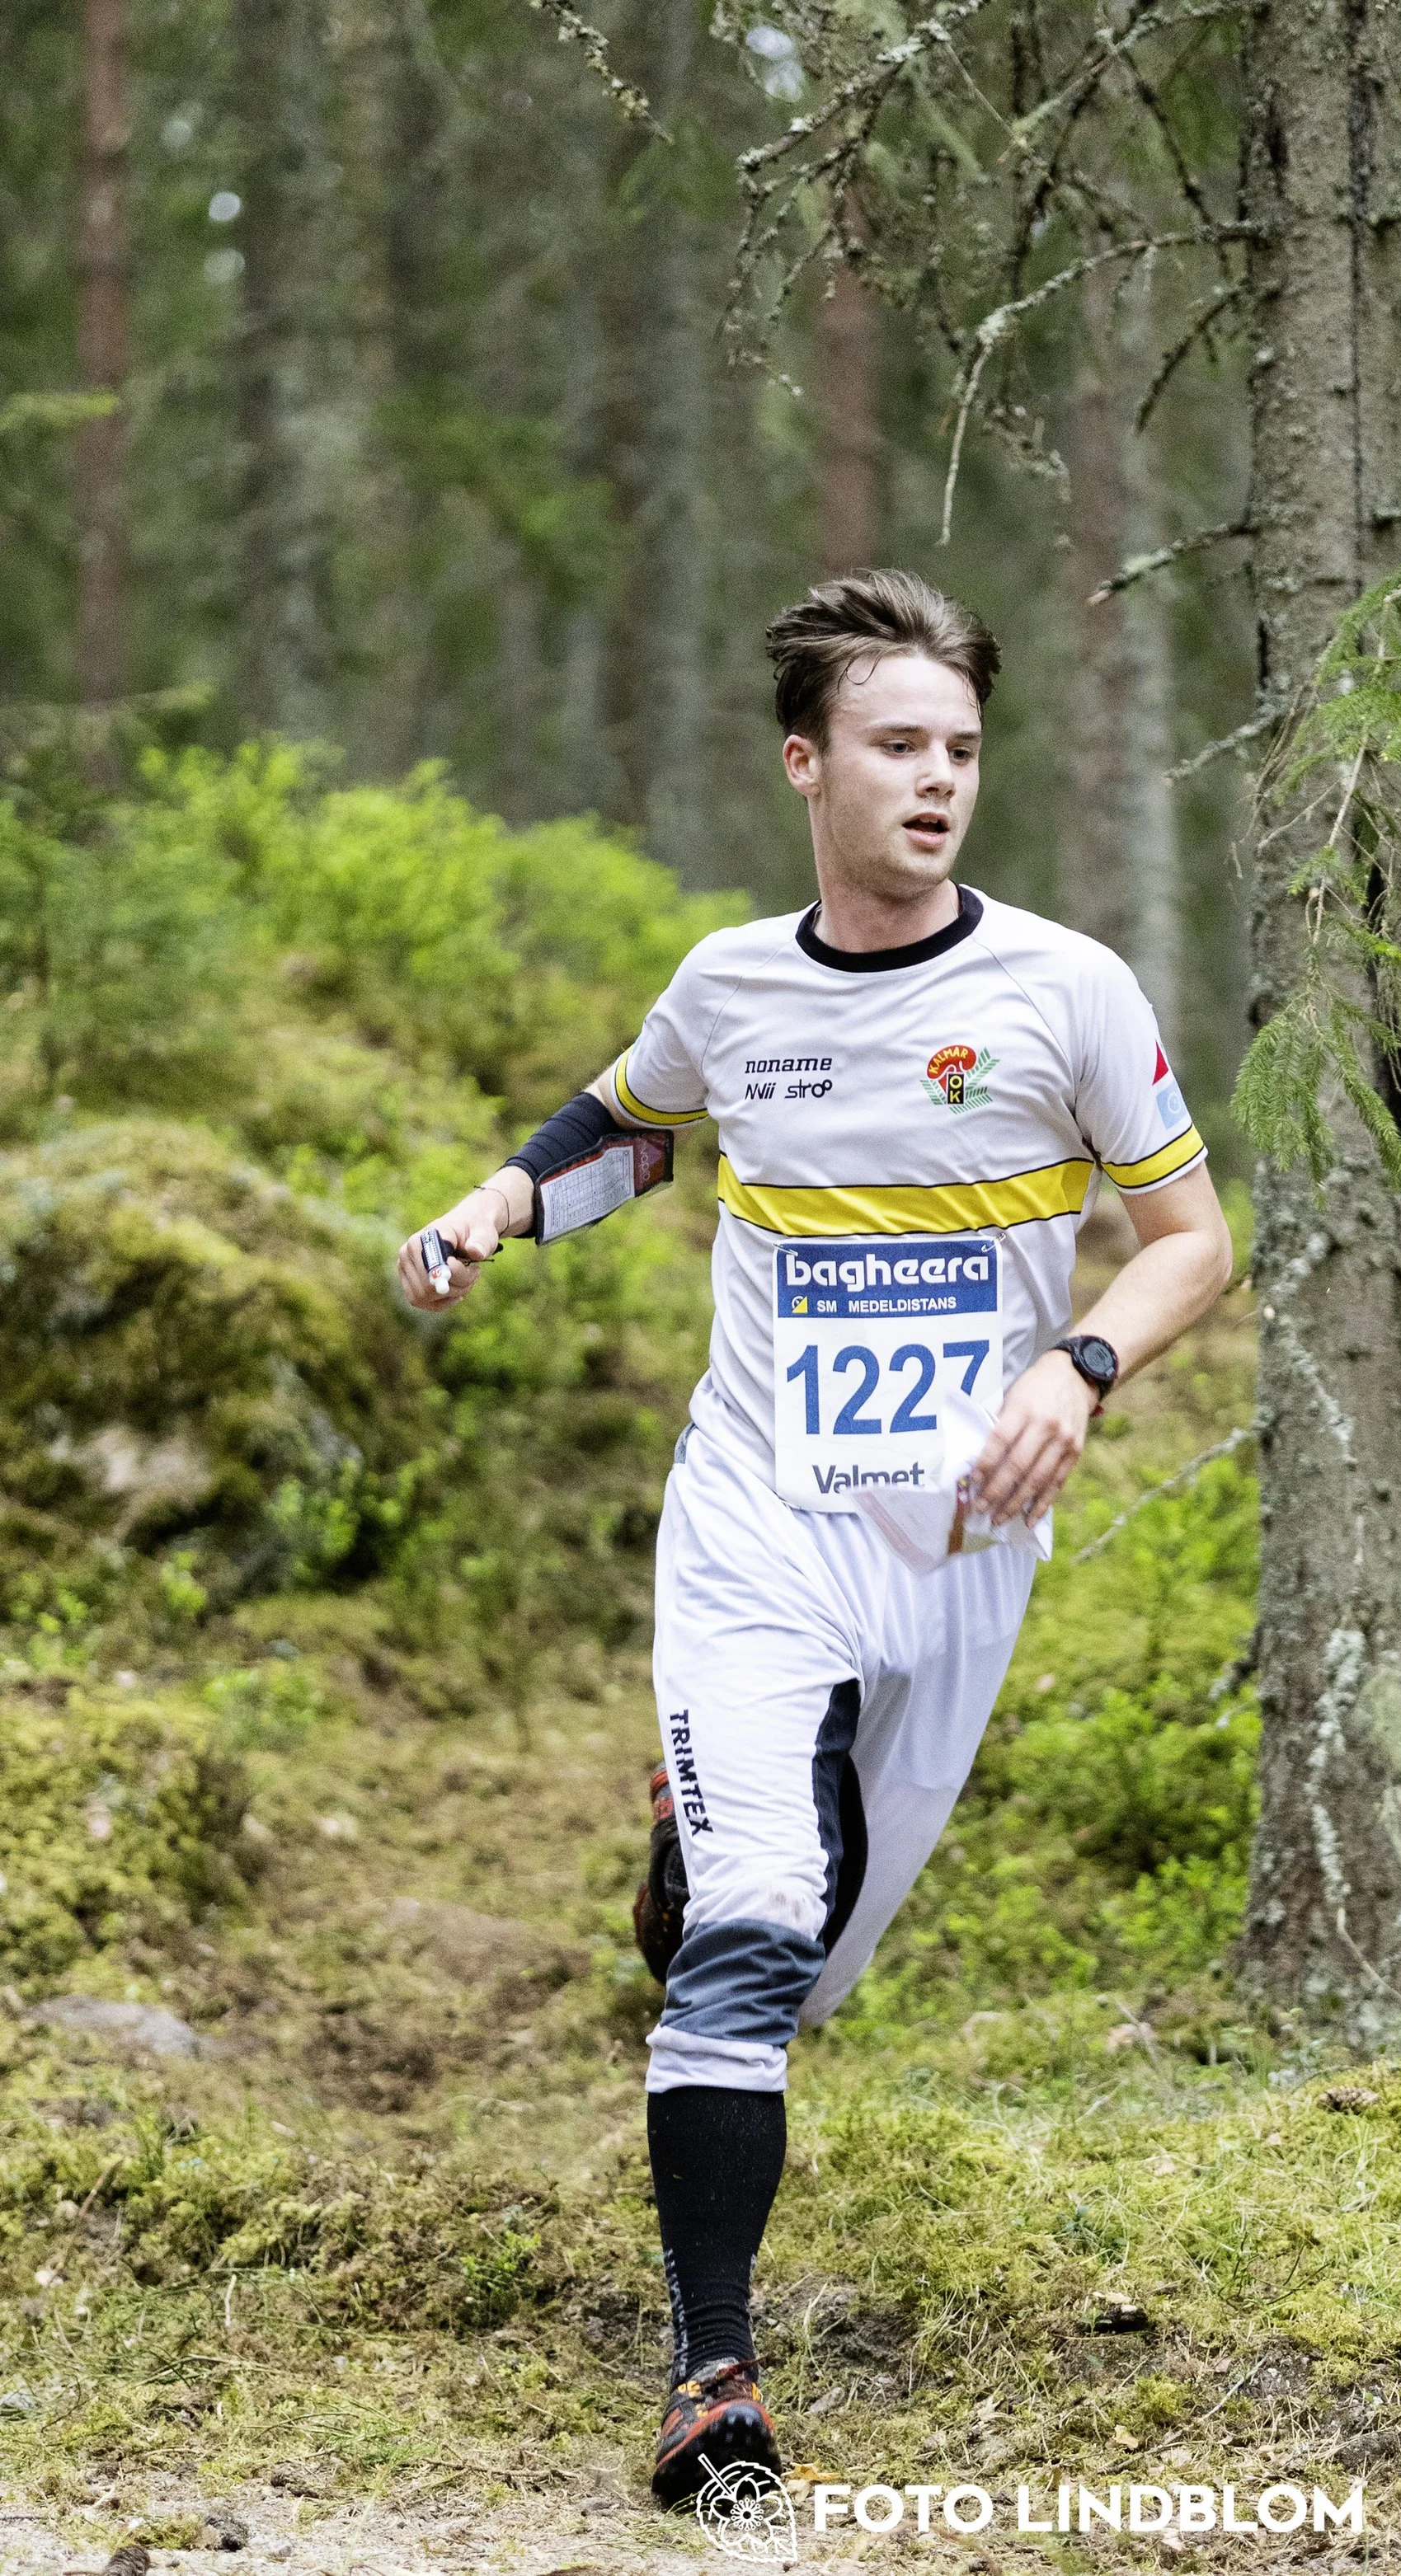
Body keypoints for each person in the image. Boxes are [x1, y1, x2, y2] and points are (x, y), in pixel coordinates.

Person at [395, 568, 1233, 2507]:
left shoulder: (1066, 989)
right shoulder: (731, 983)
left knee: (811, 1956)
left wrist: (1080, 1364)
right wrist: (486, 1215)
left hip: (958, 1545)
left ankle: (704, 1858)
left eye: (958, 748)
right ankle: (714, 2384)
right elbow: (628, 1124)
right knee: (757, 1935)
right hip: (755, 1519)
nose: (935, 781)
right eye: (895, 746)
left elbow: (1191, 1237)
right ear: (808, 763)